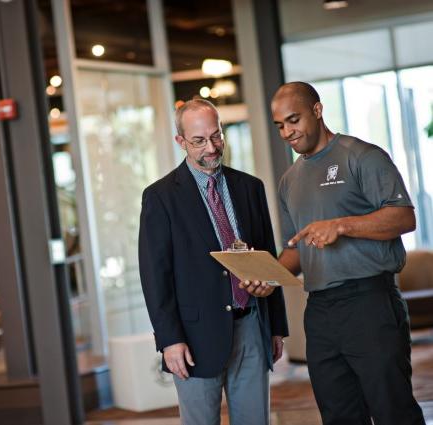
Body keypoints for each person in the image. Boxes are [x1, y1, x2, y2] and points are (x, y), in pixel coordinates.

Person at [270, 81, 425, 425]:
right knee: (338, 415)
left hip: (370, 302)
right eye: (280, 125)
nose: (287, 132)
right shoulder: (288, 181)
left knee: (392, 411)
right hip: (321, 310)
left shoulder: (362, 156)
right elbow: (295, 250)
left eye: (293, 120)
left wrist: (341, 225)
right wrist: (268, 276)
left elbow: (404, 217)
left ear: (317, 109)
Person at [138, 99, 288, 425]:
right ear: (180, 141)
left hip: (251, 325)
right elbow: (155, 276)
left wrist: (275, 326)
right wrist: (169, 340)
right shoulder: (160, 197)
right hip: (194, 337)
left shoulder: (250, 188)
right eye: (199, 140)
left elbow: (268, 258)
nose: (211, 147)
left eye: (216, 136)